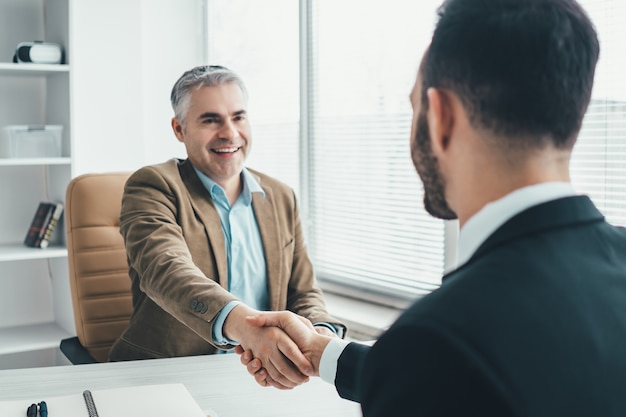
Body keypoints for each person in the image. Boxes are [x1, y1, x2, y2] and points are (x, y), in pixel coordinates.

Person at [236, 0, 626, 415]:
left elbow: (443, 370)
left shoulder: (435, 338)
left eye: (413, 107)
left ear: (441, 116)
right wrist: (321, 352)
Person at [109, 65, 344, 389]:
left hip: (262, 378)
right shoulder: (154, 185)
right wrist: (246, 328)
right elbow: (165, 270)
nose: (229, 132)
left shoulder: (280, 196)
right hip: (168, 377)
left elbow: (303, 291)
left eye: (238, 117)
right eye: (210, 119)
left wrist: (319, 336)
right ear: (179, 129)